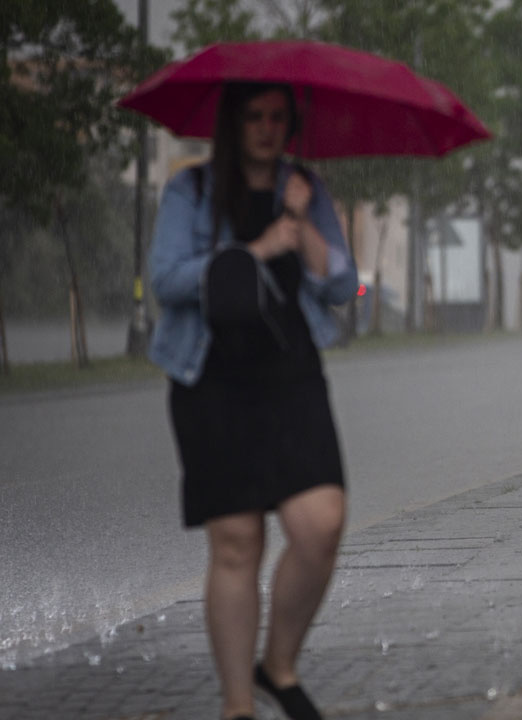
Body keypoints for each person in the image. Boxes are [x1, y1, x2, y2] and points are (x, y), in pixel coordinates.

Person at [148, 82, 358, 720]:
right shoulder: (192, 190)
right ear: (231, 123)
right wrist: (256, 248)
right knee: (237, 540)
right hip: (212, 377)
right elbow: (166, 278)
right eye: (254, 117)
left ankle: (279, 664)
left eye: (277, 117)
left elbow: (342, 283)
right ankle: (238, 703)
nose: (267, 128)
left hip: (290, 373)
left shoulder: (307, 188)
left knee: (320, 524)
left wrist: (300, 226)